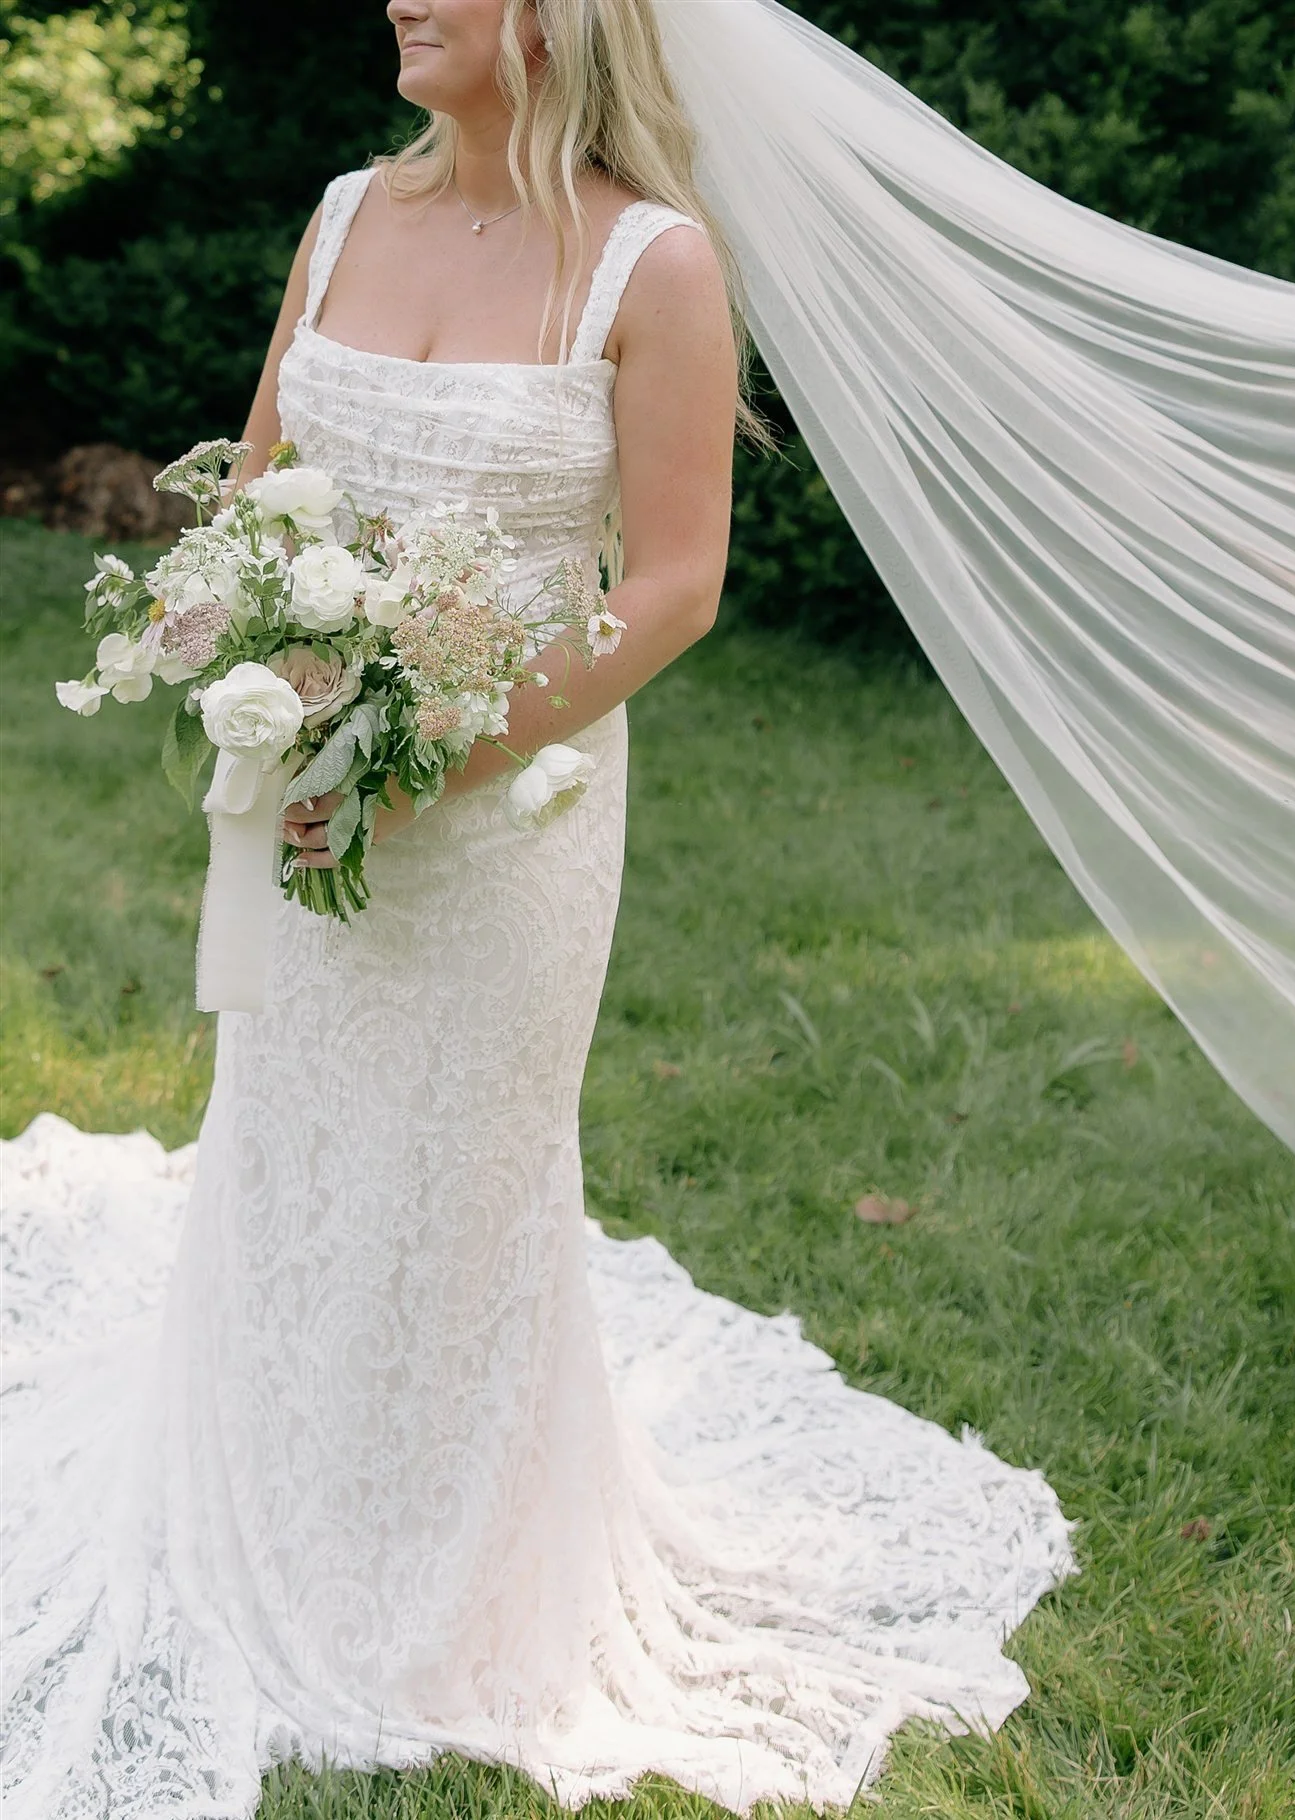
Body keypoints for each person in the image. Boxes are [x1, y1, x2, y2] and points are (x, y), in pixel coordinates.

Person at [1, 4, 1077, 1816]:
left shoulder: (656, 263)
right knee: (290, 1136)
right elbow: (257, 484)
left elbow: (674, 580)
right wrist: (242, 651)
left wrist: (441, 751)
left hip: (509, 818)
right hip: (308, 779)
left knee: (452, 1176)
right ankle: (259, 1468)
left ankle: (438, 1566)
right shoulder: (343, 213)